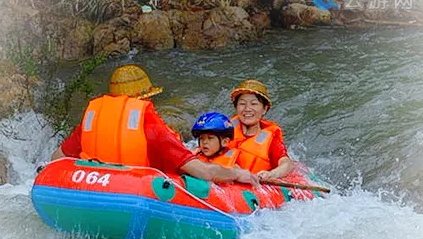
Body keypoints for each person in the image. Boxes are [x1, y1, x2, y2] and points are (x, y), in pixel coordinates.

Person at [51, 64, 258, 185]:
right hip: (136, 192)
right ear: (146, 98)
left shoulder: (93, 119)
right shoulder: (150, 125)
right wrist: (237, 173)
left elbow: (56, 159)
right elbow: (204, 173)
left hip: (91, 188)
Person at [228, 79, 294, 180]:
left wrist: (272, 174)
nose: (247, 109)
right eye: (242, 104)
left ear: (264, 109)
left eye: (254, 104)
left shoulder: (270, 140)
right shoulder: (223, 130)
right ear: (236, 107)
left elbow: (287, 164)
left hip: (253, 186)